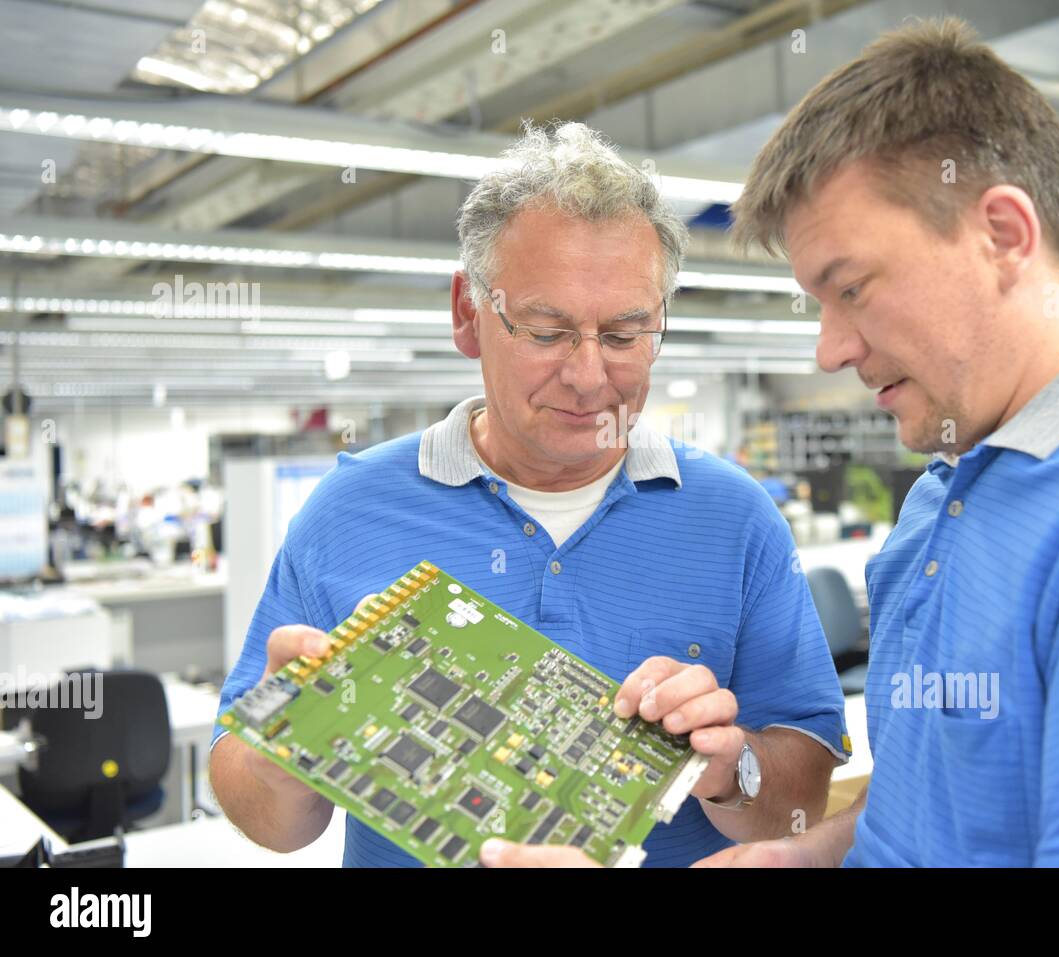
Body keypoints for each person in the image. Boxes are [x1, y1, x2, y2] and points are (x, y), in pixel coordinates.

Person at [487, 17, 1059, 868]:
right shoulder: (946, 491)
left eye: (852, 289)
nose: (830, 349)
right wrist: (798, 857)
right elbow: (951, 806)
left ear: (1004, 236)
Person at [209, 121, 848, 868]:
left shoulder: (736, 519)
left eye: (624, 333)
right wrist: (287, 751)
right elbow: (267, 818)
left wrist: (730, 766)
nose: (587, 375)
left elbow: (802, 802)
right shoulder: (347, 512)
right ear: (467, 313)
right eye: (546, 331)